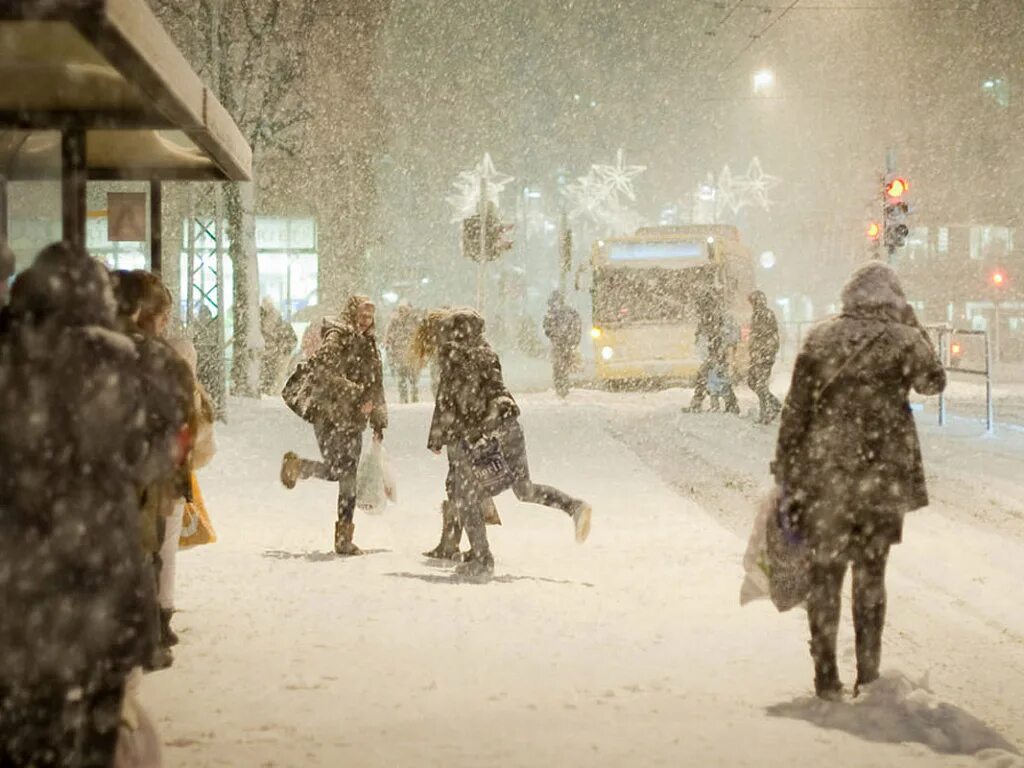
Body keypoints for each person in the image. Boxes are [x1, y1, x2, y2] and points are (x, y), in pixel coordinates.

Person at [0, 244, 178, 766]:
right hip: (102, 570)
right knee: (101, 720)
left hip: (21, 577)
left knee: (24, 719)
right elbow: (153, 450)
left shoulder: (11, 359)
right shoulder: (125, 361)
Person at [771, 261, 946, 700]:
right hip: (880, 482)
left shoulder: (821, 337)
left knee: (826, 574)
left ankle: (825, 676)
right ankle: (868, 676)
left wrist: (786, 467)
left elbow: (795, 410)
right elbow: (933, 381)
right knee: (871, 575)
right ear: (894, 299)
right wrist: (914, 324)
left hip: (825, 479)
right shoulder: (903, 340)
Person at [427, 308, 592, 579]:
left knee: (465, 495)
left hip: (481, 432)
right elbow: (493, 390)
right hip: (508, 423)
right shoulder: (487, 353)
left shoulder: (454, 358)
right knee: (523, 488)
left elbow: (447, 402)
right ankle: (573, 506)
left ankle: (482, 559)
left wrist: (440, 437)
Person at [111, 270, 196, 667]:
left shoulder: (94, 350)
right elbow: (181, 420)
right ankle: (145, 636)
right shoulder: (159, 356)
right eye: (161, 314)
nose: (164, 322)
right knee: (148, 552)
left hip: (108, 473)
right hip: (145, 474)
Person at [280, 295, 388, 555]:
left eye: (369, 316)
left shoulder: (370, 343)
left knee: (346, 474)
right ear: (351, 312)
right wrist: (358, 394)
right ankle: (301, 467)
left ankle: (343, 536)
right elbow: (326, 374)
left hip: (354, 420)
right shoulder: (336, 337)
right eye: (362, 314)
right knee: (343, 473)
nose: (365, 321)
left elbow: (376, 382)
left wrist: (379, 416)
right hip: (329, 415)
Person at [685, 292, 739, 414]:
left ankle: (698, 403)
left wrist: (720, 349)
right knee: (714, 378)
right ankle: (731, 404)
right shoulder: (709, 316)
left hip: (717, 353)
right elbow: (702, 334)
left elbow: (726, 334)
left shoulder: (719, 317)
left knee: (713, 378)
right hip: (712, 353)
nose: (701, 309)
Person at [747, 290, 782, 423]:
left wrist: (763, 353)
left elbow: (765, 334)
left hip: (764, 355)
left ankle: (765, 414)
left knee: (760, 384)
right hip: (759, 355)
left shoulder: (764, 314)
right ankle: (774, 405)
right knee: (753, 382)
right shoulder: (758, 314)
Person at [542, 290, 582, 399]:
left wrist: (554, 336)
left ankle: (561, 387)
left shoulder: (553, 314)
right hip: (567, 344)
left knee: (559, 366)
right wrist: (574, 340)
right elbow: (577, 327)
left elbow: (546, 328)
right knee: (564, 365)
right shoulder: (570, 312)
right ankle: (563, 387)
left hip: (560, 344)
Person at [384, 300, 424, 403]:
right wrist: (389, 344)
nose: (402, 311)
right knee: (401, 377)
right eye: (400, 309)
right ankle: (403, 396)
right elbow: (388, 336)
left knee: (413, 377)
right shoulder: (394, 322)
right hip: (399, 354)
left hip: (411, 355)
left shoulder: (415, 320)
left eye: (404, 309)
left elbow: (420, 334)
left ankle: (414, 394)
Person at [260, 297, 298, 395]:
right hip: (272, 355)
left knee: (277, 377)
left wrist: (283, 349)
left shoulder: (279, 324)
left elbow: (292, 340)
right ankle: (273, 394)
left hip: (277, 355)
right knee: (276, 377)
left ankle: (273, 394)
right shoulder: (279, 323)